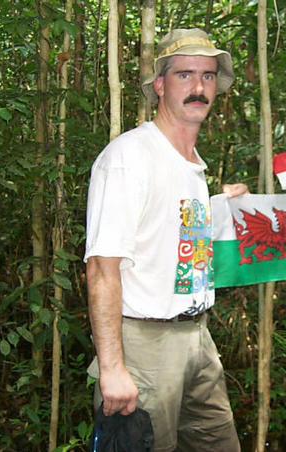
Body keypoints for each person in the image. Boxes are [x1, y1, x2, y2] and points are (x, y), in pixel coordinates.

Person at [84, 28, 245, 451]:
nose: (198, 87)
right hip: (143, 346)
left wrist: (217, 206)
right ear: (160, 85)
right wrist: (113, 367)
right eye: (185, 75)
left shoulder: (191, 163)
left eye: (208, 76)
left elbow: (166, 230)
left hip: (196, 337)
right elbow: (102, 268)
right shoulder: (129, 158)